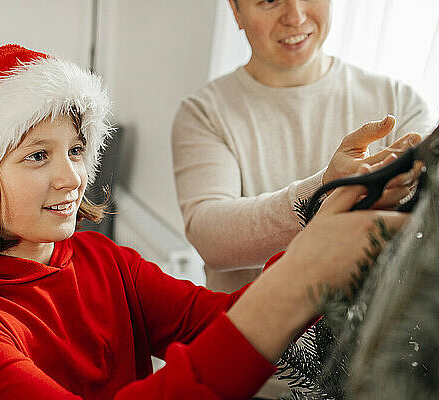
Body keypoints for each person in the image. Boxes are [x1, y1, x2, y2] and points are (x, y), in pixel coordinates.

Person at [0, 44, 411, 400]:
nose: (72, 177)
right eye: (37, 156)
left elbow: (225, 323)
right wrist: (304, 272)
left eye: (76, 150)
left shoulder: (106, 260)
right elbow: (252, 328)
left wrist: (335, 208)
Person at [171, 0, 436, 294]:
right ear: (236, 11)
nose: (295, 17)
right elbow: (211, 238)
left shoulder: (401, 101)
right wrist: (322, 191)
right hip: (249, 333)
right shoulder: (203, 113)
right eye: (270, 0)